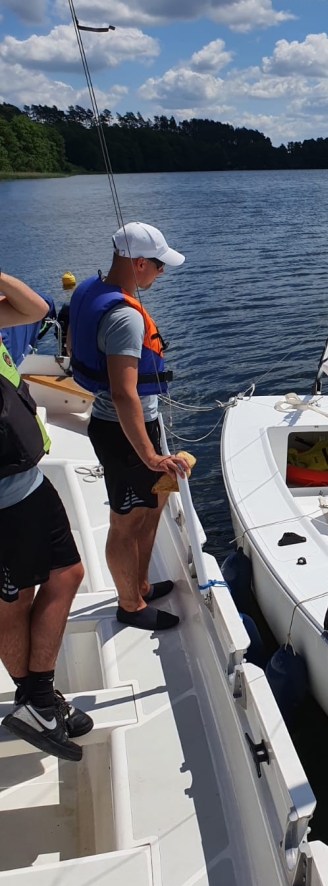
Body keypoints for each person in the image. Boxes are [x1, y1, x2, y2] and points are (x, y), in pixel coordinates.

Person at [69, 222, 190, 632]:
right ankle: (130, 605)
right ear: (139, 263)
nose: (160, 274)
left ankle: (138, 583)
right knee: (127, 521)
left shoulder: (90, 288)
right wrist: (152, 455)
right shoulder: (125, 318)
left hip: (141, 427)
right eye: (158, 267)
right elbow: (123, 394)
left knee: (154, 504)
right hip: (124, 434)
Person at [0, 270, 91, 762]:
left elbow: (35, 309)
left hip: (24, 481)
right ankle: (38, 700)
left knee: (30, 591)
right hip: (7, 497)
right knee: (33, 591)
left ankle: (37, 700)